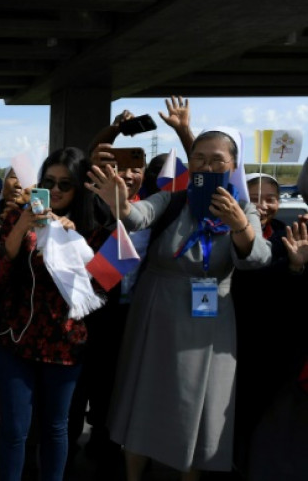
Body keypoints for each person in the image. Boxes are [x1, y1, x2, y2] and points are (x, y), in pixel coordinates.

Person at [89, 129, 272, 480]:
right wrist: (121, 204)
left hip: (209, 318)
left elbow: (258, 257)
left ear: (233, 165)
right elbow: (139, 214)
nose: (208, 165)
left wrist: (239, 227)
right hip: (156, 308)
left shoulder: (242, 207)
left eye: (218, 160)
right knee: (144, 394)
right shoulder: (174, 197)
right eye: (200, 158)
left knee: (196, 405)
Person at [0, 147, 111, 481]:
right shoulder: (18, 216)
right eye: (49, 181)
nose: (55, 190)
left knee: (56, 428)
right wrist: (24, 223)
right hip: (14, 338)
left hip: (64, 342)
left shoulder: (93, 229)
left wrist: (71, 243)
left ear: (80, 188)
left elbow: (104, 287)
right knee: (14, 429)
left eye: (65, 184)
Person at [230, 173, 308, 477]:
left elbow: (289, 293)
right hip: (233, 333)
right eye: (254, 198)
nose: (263, 205)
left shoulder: (288, 235)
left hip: (272, 342)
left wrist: (294, 267)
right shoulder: (224, 232)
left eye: (271, 198)